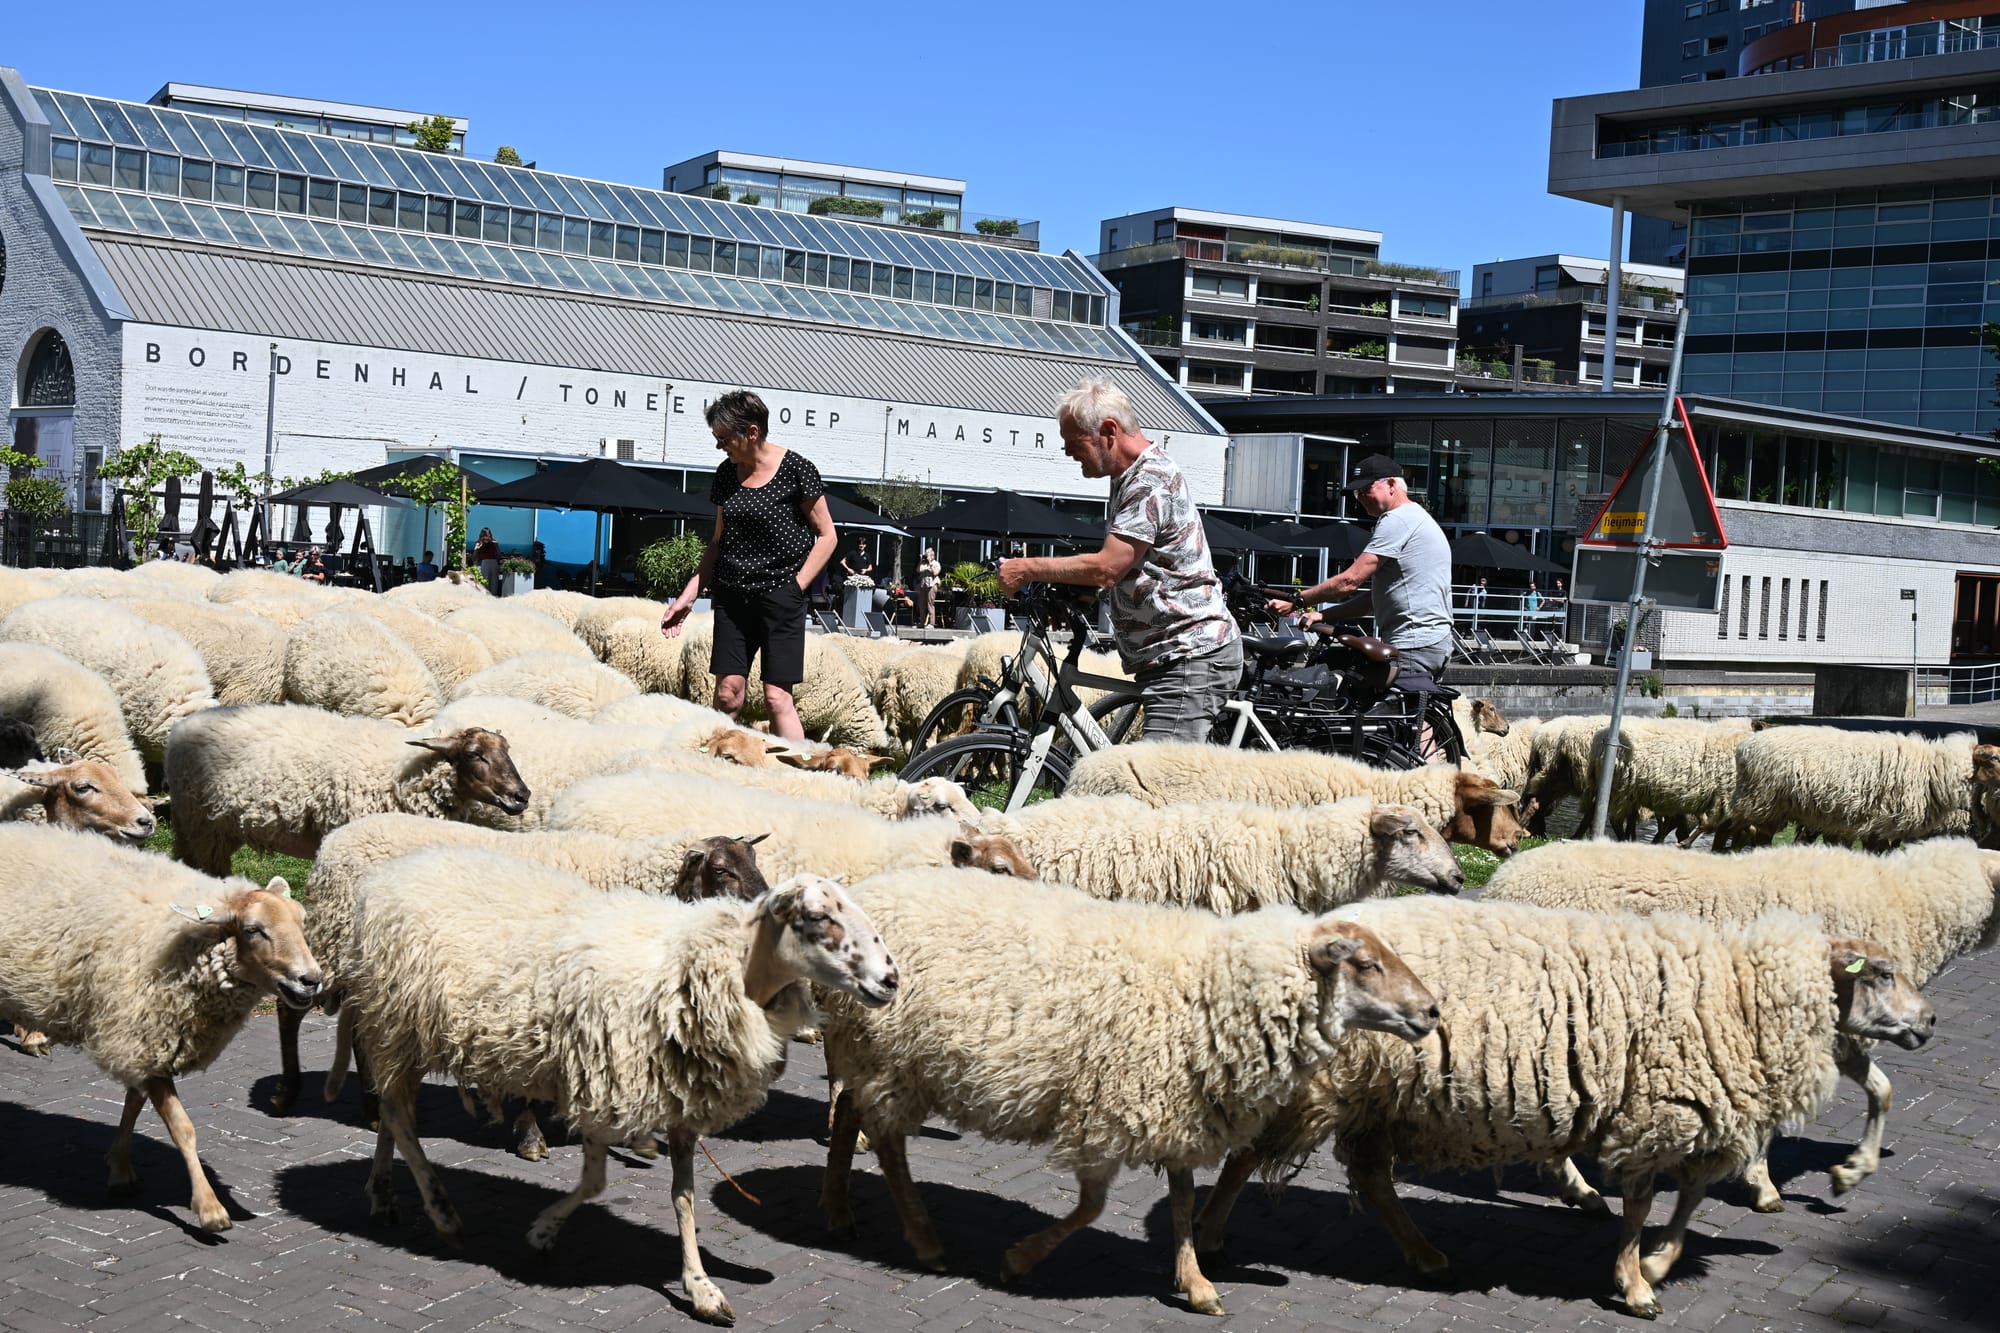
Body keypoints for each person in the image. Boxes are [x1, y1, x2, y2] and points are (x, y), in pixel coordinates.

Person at [998, 379, 1241, 742]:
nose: (1067, 451)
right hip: (1171, 654)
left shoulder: (1149, 481)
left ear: (1109, 431)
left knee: (1158, 774)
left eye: (1074, 441)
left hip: (1188, 654)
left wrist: (1027, 568)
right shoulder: (1128, 475)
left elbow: (1107, 568)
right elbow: (1138, 564)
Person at [660, 389, 836, 741]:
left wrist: (796, 586)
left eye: (724, 438)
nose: (719, 446)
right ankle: (711, 765)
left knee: (776, 697)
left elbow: (827, 535)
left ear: (752, 432)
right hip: (732, 598)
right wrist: (688, 597)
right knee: (728, 692)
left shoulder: (797, 470)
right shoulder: (726, 474)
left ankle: (796, 771)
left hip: (780, 597)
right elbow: (717, 541)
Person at [1267, 453, 1452, 683]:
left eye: (1366, 489)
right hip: (1429, 642)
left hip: (1414, 644)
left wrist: (1297, 601)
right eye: (1357, 493)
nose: (1361, 498)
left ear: (1391, 484)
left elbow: (1350, 581)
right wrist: (1324, 615)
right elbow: (1375, 599)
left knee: (1375, 705)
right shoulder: (1415, 518)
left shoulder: (1398, 520)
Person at [918, 546, 942, 628]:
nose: (926, 556)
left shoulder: (936, 563)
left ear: (932, 556)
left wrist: (930, 564)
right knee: (922, 605)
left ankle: (931, 623)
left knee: (930, 604)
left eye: (927, 555)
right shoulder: (923, 563)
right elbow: (918, 570)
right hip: (923, 585)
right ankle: (921, 623)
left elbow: (935, 573)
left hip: (931, 585)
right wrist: (921, 561)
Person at [473, 527, 502, 595]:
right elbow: (474, 557)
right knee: (485, 584)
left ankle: (493, 597)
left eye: (488, 535)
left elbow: (498, 554)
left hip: (493, 562)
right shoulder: (479, 543)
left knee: (494, 584)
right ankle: (486, 597)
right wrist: (477, 548)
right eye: (485, 535)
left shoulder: (494, 542)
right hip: (485, 562)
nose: (487, 536)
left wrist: (496, 545)